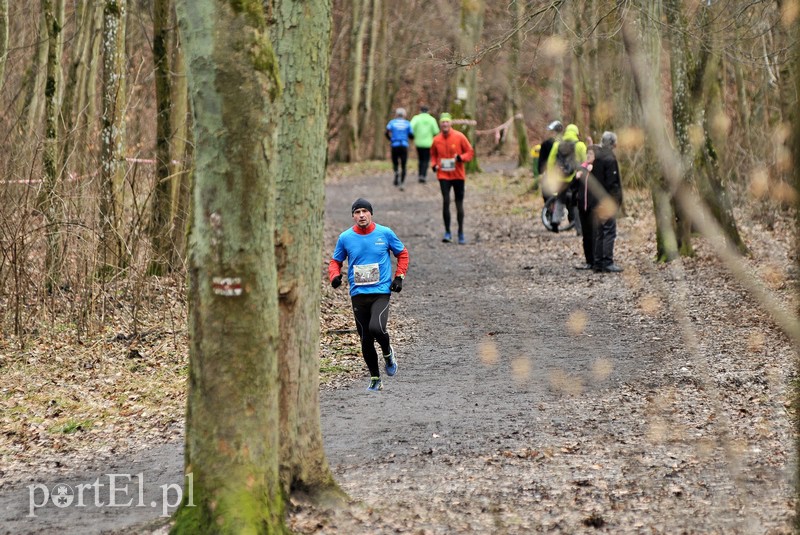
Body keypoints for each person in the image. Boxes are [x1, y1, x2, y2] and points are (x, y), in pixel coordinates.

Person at [329, 198, 409, 391]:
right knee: (365, 338)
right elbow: (335, 261)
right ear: (353, 216)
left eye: (364, 211)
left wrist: (399, 277)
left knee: (376, 328)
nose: (361, 215)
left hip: (380, 292)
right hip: (358, 293)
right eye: (357, 212)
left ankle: (387, 352)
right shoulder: (345, 237)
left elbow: (402, 253)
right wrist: (334, 276)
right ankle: (375, 378)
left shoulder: (385, 233)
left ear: (371, 213)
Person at [430, 112, 474, 244]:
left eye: (447, 121)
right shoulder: (436, 139)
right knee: (446, 201)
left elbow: (470, 151)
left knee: (459, 204)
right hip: (443, 175)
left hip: (458, 175)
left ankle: (460, 232)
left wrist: (461, 158)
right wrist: (434, 165)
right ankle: (447, 232)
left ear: (450, 123)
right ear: (440, 124)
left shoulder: (459, 136)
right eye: (443, 122)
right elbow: (433, 155)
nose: (445, 124)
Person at [544, 123, 587, 233]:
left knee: (559, 201)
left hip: (560, 178)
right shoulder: (580, 145)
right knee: (575, 203)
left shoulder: (557, 145)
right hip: (575, 178)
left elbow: (550, 162)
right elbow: (585, 161)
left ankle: (555, 221)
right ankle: (579, 229)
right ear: (576, 133)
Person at [591, 132, 623, 273]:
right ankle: (607, 262)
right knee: (609, 231)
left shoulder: (597, 157)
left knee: (600, 231)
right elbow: (612, 183)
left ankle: (598, 262)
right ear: (612, 144)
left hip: (596, 199)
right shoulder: (610, 159)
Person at [574, 145, 599, 269]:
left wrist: (593, 171)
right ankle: (589, 260)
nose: (588, 156)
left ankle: (596, 260)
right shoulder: (582, 168)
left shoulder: (598, 169)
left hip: (593, 207)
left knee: (594, 234)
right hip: (582, 206)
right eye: (587, 153)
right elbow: (573, 187)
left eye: (591, 154)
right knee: (586, 235)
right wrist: (576, 178)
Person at [385, 108, 414, 190]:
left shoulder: (392, 122)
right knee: (404, 165)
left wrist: (390, 139)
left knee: (395, 163)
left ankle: (396, 174)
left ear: (396, 114)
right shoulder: (407, 123)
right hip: (404, 145)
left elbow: (386, 132)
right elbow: (411, 135)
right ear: (404, 115)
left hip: (394, 145)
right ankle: (402, 183)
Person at [409, 106, 440, 183]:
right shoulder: (432, 119)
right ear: (428, 111)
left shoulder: (416, 118)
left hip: (418, 143)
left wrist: (414, 135)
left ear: (420, 111)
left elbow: (410, 128)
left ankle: (420, 174)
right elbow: (436, 131)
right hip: (428, 143)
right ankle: (424, 175)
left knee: (420, 159)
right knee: (426, 160)